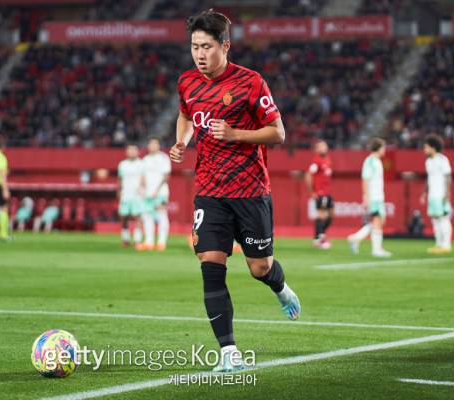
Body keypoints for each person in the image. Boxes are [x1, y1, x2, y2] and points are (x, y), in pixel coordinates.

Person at [169, 9, 300, 373]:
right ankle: (229, 352)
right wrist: (181, 141)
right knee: (210, 264)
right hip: (209, 190)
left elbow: (278, 133)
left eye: (207, 47)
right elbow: (185, 114)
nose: (199, 54)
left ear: (225, 46)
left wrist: (236, 134)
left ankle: (280, 287)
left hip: (250, 191)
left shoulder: (251, 82)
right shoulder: (187, 82)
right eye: (195, 46)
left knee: (260, 267)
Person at [347, 138, 391, 257]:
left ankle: (356, 238)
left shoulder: (377, 161)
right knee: (377, 220)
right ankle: (376, 250)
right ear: (379, 148)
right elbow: (365, 179)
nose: (384, 150)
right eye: (383, 148)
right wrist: (366, 196)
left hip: (379, 196)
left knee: (380, 221)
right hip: (374, 196)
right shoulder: (370, 161)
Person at [137, 138, 172, 251]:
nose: (153, 146)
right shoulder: (145, 159)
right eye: (151, 144)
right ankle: (149, 242)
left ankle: (161, 243)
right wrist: (142, 188)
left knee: (161, 216)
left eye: (155, 144)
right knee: (147, 217)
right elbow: (143, 176)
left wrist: (157, 190)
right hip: (147, 194)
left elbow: (166, 176)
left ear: (159, 145)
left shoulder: (163, 158)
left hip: (160, 192)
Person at [421, 134, 452, 253]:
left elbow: (448, 176)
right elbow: (429, 178)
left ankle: (446, 245)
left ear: (433, 147)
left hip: (440, 195)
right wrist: (425, 192)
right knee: (435, 219)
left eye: (426, 147)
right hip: (432, 195)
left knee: (443, 218)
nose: (424, 150)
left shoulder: (442, 160)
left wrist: (447, 193)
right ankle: (439, 244)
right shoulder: (428, 161)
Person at [304, 139, 333, 249]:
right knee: (321, 215)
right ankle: (319, 239)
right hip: (320, 192)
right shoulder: (316, 161)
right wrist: (312, 192)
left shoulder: (327, 159)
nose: (324, 148)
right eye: (321, 146)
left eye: (325, 146)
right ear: (316, 149)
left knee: (331, 215)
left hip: (327, 192)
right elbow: (308, 175)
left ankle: (320, 235)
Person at [117, 144, 144, 248]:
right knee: (124, 217)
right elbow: (120, 180)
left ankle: (137, 240)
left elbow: (144, 178)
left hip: (137, 194)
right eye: (130, 150)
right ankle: (126, 239)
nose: (131, 152)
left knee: (138, 217)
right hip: (125, 194)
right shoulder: (122, 164)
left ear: (137, 152)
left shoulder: (141, 164)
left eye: (133, 150)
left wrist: (142, 189)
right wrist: (119, 192)